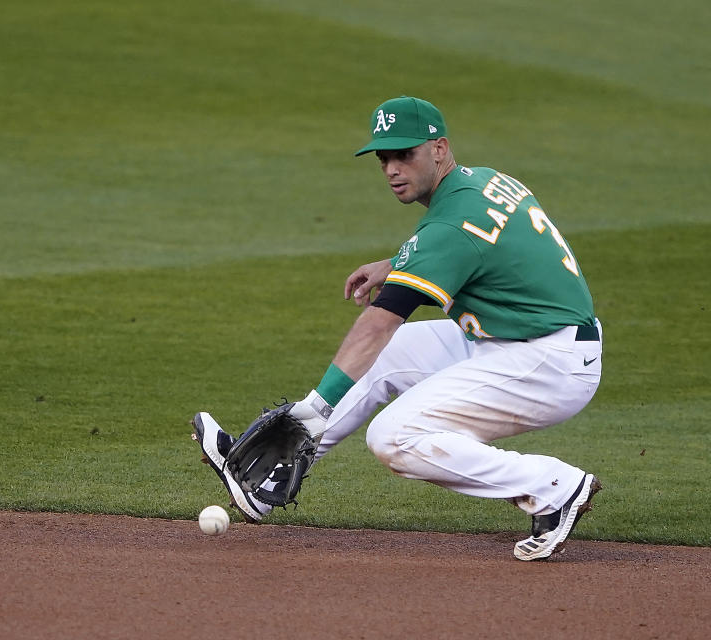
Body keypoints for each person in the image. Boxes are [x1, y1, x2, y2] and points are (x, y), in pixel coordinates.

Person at [193, 96, 604, 561]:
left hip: (548, 362)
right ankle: (267, 481)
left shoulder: (451, 226)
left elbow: (379, 321)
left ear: (439, 149)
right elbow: (488, 248)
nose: (392, 168)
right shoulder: (481, 180)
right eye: (384, 157)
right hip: (515, 337)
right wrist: (396, 265)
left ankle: (554, 487)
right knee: (392, 357)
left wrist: (317, 404)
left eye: (404, 154)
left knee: (393, 436)